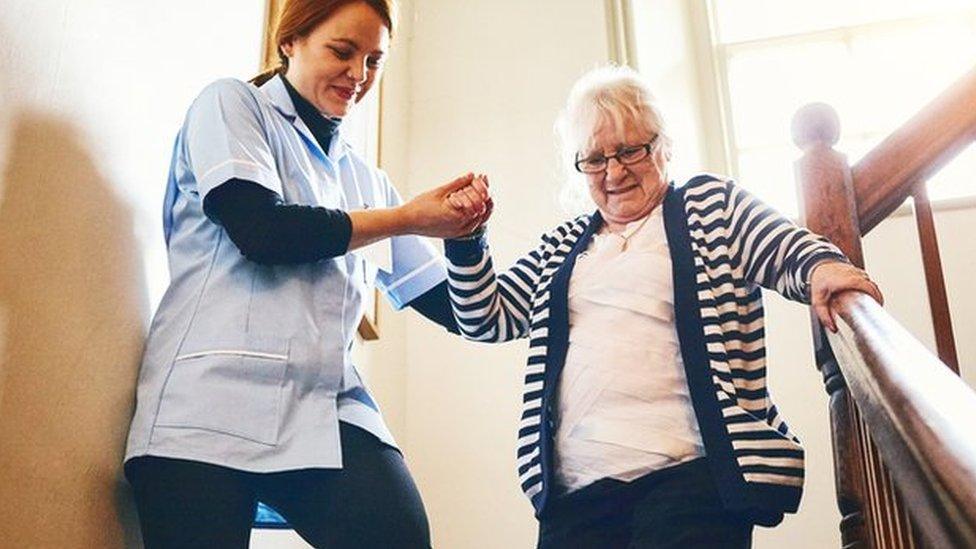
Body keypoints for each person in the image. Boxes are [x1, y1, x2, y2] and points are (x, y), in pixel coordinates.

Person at [441, 65, 883, 548]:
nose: (614, 171)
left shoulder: (711, 205)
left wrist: (824, 268)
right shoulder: (562, 245)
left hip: (693, 477)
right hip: (577, 493)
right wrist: (466, 243)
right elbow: (485, 317)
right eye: (594, 159)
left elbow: (784, 248)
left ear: (663, 145)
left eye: (630, 150)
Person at [123, 1, 486, 547]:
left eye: (373, 62)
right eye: (342, 52)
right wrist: (409, 217)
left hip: (325, 406)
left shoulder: (365, 178)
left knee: (399, 534)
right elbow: (261, 230)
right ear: (290, 41)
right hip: (207, 406)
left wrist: (466, 236)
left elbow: (460, 310)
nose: (358, 75)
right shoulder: (230, 104)